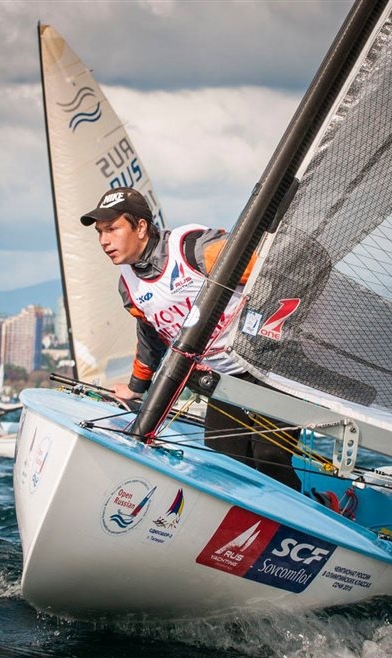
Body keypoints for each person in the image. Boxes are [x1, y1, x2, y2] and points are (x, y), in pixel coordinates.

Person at [80, 186, 301, 492]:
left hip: (271, 364)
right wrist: (135, 388)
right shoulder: (128, 286)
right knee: (226, 459)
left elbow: (274, 271)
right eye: (100, 232)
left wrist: (278, 325)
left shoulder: (193, 250)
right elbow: (150, 337)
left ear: (140, 227)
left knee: (269, 456)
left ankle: (308, 512)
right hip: (225, 378)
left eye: (112, 229)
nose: (104, 241)